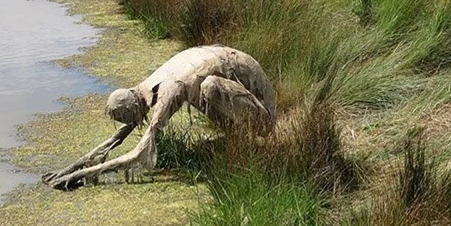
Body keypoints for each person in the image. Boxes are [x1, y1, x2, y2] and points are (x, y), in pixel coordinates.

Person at [42, 45, 276, 190]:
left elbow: (137, 154)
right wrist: (73, 166)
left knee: (210, 87)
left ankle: (249, 145)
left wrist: (80, 175)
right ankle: (235, 141)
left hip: (262, 113)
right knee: (203, 88)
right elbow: (124, 132)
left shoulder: (168, 89)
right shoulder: (146, 87)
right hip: (239, 90)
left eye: (125, 117)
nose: (129, 122)